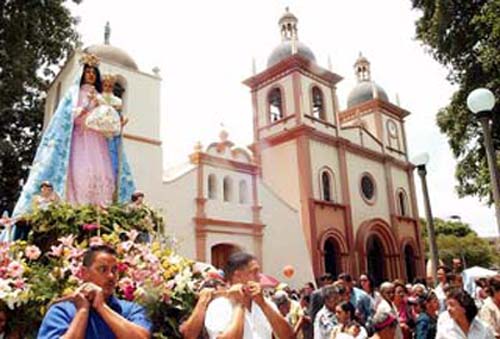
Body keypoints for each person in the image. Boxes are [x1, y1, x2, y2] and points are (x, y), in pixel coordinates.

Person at [9, 53, 135, 227]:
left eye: (94, 72)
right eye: (88, 71)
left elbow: (108, 117)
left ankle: (99, 213)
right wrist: (85, 106)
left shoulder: (100, 96)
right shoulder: (74, 93)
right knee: (80, 173)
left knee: (101, 175)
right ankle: (78, 211)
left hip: (98, 142)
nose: (91, 75)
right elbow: (68, 117)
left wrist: (115, 122)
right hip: (80, 140)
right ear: (82, 73)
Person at [37, 245, 151, 339]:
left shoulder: (130, 310)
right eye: (102, 269)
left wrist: (101, 307)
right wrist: (82, 311)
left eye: (114, 270)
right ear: (83, 273)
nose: (111, 276)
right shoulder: (62, 311)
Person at [204, 252, 294, 339]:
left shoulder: (266, 303)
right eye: (254, 272)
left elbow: (289, 336)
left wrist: (263, 304)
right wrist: (240, 304)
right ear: (238, 275)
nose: (259, 277)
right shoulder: (219, 305)